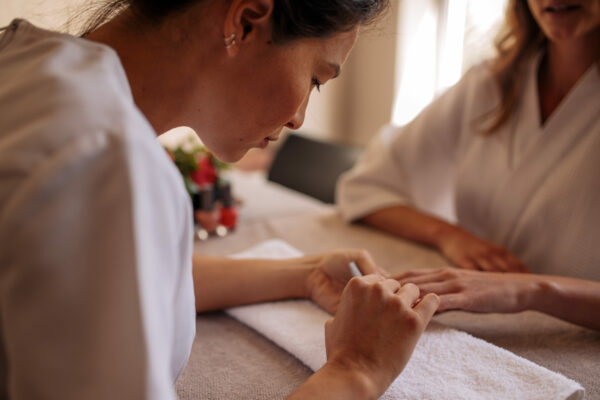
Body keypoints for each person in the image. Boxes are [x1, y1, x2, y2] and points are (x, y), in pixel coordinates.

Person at [0, 0, 441, 399]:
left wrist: (304, 273)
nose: (298, 117)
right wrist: (357, 370)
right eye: (314, 78)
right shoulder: (109, 160)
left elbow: (101, 265)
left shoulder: (23, 55)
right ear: (246, 22)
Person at [337, 0, 600, 330]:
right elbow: (365, 186)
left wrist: (531, 290)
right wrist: (451, 236)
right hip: (471, 321)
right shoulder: (489, 83)